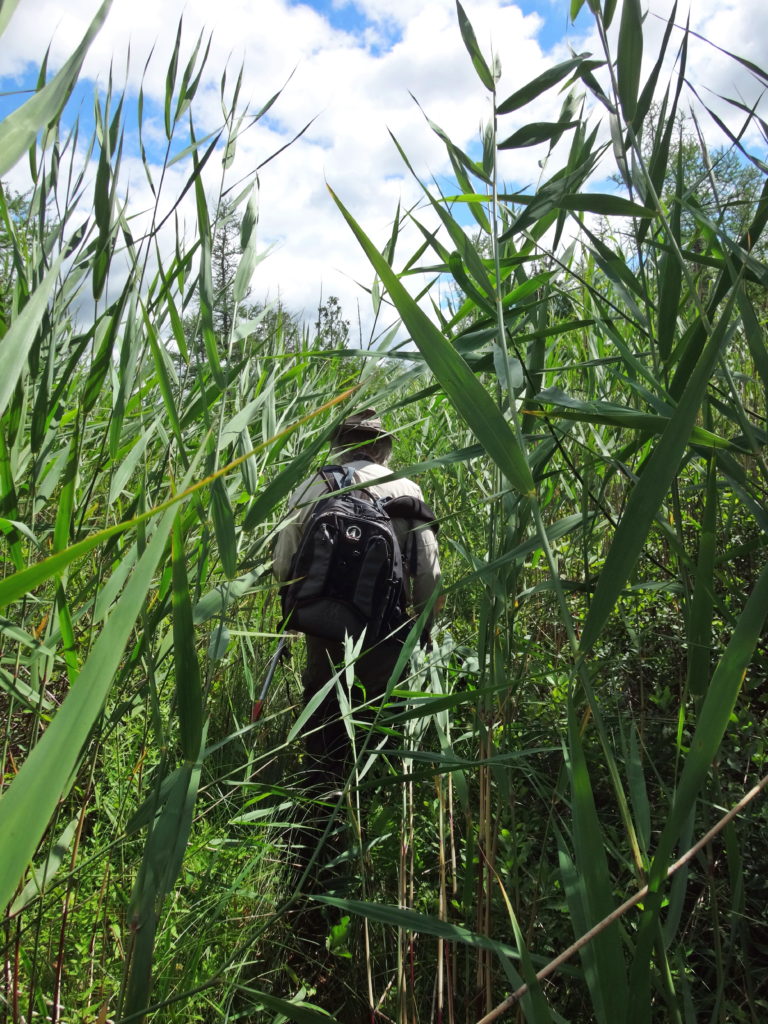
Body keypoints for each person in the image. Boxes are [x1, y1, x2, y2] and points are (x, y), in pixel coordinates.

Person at [272, 409, 442, 792]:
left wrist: (293, 610)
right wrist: (424, 626)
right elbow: (429, 570)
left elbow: (283, 561)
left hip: (323, 620)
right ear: (383, 448)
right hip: (384, 624)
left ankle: (317, 797)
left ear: (339, 446)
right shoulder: (405, 489)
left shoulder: (313, 485)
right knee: (378, 710)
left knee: (323, 702)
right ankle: (373, 796)